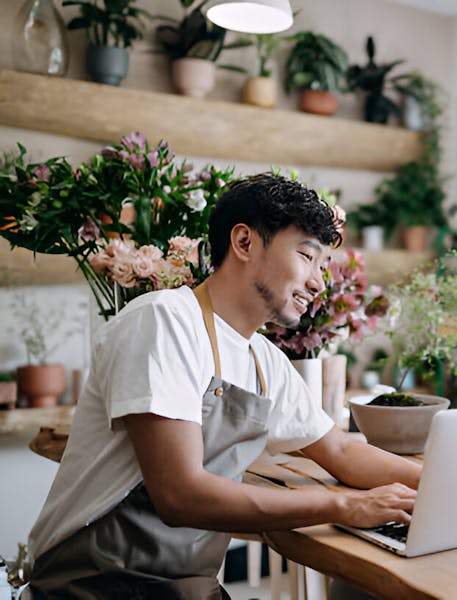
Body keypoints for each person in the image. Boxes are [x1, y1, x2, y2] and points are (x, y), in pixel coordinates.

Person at [26, 173, 420, 598]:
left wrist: (441, 481)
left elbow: (341, 451)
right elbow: (180, 495)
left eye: (323, 265)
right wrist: (345, 506)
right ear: (245, 242)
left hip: (187, 588)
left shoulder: (264, 360)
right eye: (307, 256)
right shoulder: (165, 321)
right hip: (93, 584)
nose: (318, 282)